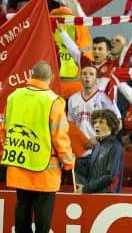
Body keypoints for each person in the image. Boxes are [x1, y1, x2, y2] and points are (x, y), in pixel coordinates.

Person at [2, 61, 75, 233]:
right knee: (42, 219)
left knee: (22, 209)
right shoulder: (54, 101)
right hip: (45, 172)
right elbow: (60, 137)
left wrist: (5, 152)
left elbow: (3, 129)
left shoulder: (14, 97)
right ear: (51, 77)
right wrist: (68, 161)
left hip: (19, 166)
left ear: (30, 75)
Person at [74, 109, 124, 193]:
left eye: (101, 122)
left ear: (110, 125)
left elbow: (109, 177)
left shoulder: (115, 146)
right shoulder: (97, 146)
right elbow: (89, 171)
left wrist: (86, 188)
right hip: (94, 195)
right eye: (95, 122)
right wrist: (74, 162)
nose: (96, 125)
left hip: (108, 197)